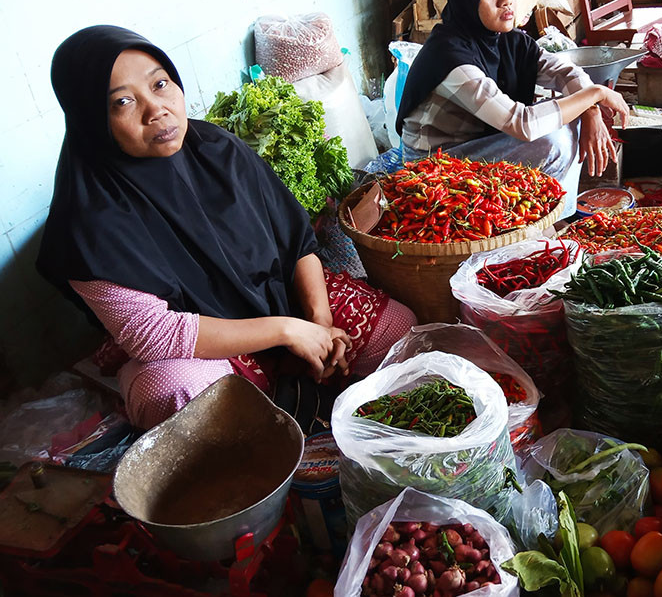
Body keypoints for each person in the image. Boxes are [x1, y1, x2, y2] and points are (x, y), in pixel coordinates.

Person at [37, 26, 416, 430]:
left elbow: (296, 242)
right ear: (91, 119)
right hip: (201, 347)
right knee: (173, 393)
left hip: (279, 303)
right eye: (123, 102)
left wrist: (320, 324)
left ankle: (298, 401)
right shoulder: (89, 220)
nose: (157, 110)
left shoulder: (217, 149)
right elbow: (154, 334)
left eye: (161, 84)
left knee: (399, 328)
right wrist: (288, 331)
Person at [396, 0, 630, 215]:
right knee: (552, 142)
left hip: (477, 142)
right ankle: (539, 226)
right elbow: (522, 124)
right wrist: (596, 93)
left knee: (572, 117)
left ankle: (555, 219)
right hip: (432, 165)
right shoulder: (451, 56)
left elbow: (564, 72)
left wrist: (591, 111)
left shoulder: (508, 39)